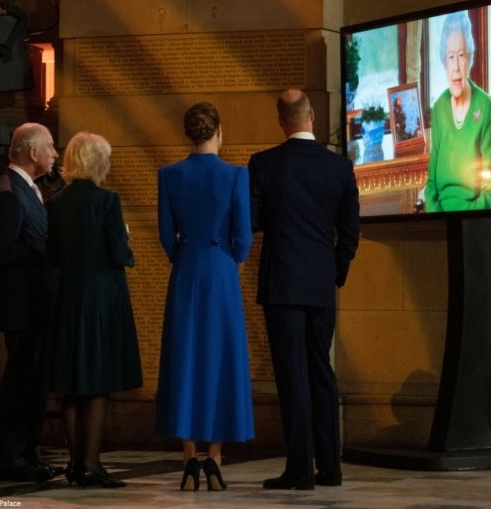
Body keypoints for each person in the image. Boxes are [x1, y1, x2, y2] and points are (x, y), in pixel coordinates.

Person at [248, 89, 360, 490]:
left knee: (291, 375)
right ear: (312, 115)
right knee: (321, 372)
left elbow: (253, 220)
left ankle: (299, 469)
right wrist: (335, 272)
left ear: (281, 120)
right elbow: (349, 232)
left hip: (281, 284)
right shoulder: (340, 168)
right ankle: (330, 467)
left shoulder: (263, 164)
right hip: (320, 285)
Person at [155, 102, 254, 491]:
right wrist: (231, 262)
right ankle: (215, 457)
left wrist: (184, 256)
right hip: (221, 270)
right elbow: (243, 237)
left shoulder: (169, 175)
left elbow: (166, 234)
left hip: (186, 269)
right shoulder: (235, 175)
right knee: (221, 359)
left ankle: (188, 456)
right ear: (218, 132)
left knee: (185, 358)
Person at [46, 131, 142, 488]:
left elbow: (52, 256)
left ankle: (73, 463)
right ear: (98, 161)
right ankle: (92, 463)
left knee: (71, 383)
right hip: (102, 299)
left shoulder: (55, 202)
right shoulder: (107, 201)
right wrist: (127, 243)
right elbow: (119, 253)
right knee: (98, 382)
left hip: (68, 298)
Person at [0, 122, 60, 482]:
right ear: (33, 152)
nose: (55, 154)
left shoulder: (29, 188)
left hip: (35, 306)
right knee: (20, 386)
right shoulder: (8, 190)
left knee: (33, 385)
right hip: (21, 307)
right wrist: (47, 248)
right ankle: (12, 459)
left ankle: (26, 455)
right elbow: (3, 250)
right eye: (50, 147)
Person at [424, 10, 491, 212]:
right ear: (444, 62)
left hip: (473, 217)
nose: (456, 66)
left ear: (470, 59)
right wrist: (437, 219)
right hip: (439, 220)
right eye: (450, 56)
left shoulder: (483, 105)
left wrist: (465, 218)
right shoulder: (439, 108)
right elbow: (431, 186)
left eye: (461, 55)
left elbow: (490, 193)